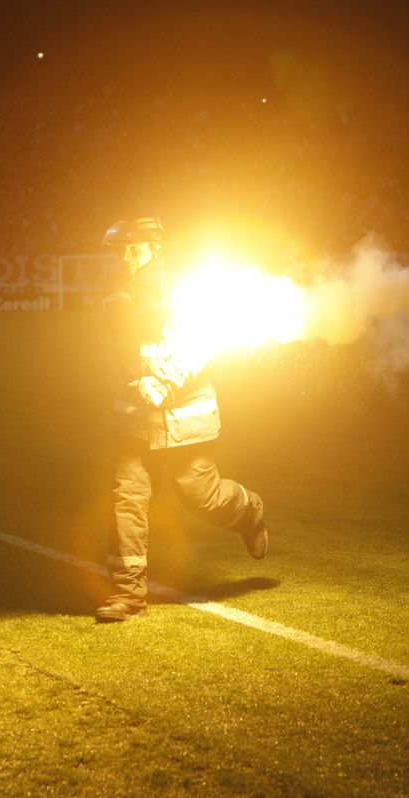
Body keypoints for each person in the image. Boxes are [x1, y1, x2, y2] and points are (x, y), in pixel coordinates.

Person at [96, 217, 269, 623]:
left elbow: (207, 338)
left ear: (157, 249)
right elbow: (125, 340)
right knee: (127, 498)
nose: (125, 257)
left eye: (135, 248)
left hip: (186, 414)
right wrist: (142, 381)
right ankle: (127, 594)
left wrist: (168, 380)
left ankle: (249, 513)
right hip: (136, 417)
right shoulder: (115, 294)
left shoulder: (189, 288)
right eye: (120, 249)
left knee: (201, 497)